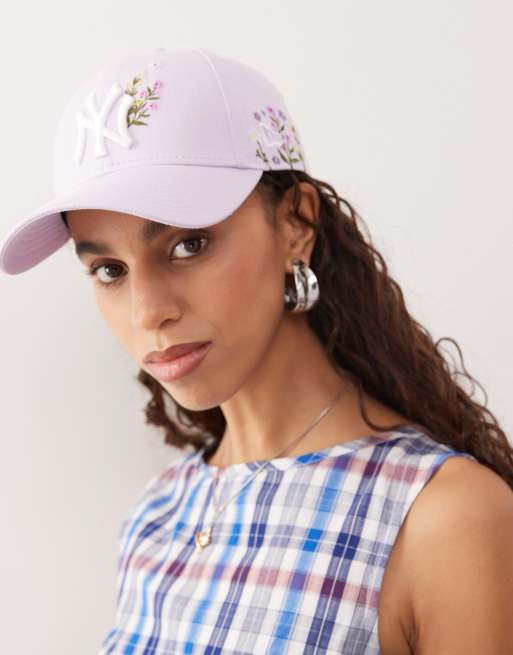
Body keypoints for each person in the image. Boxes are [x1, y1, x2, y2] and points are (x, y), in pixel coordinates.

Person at [1, 47, 512, 655]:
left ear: (296, 223)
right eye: (109, 269)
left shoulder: (443, 518)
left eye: (188, 245)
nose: (146, 312)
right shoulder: (158, 514)